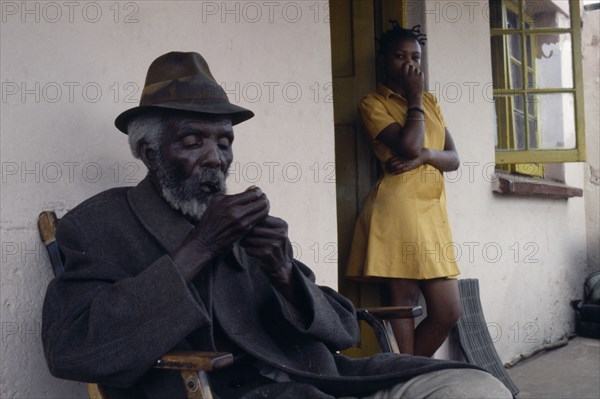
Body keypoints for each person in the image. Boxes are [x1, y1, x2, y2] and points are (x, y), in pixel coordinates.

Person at [41, 51, 512, 398]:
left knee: (475, 387)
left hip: (321, 379)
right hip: (225, 391)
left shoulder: (239, 221)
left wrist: (285, 274)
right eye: (192, 141)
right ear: (149, 153)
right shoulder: (100, 224)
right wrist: (198, 248)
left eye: (224, 143)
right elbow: (75, 349)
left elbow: (345, 330)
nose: (215, 158)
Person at [346, 23, 462, 357]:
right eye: (399, 56)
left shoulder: (431, 102)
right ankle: (403, 383)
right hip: (399, 210)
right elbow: (409, 146)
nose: (409, 64)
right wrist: (413, 97)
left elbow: (453, 159)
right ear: (384, 60)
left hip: (432, 213)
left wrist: (428, 155)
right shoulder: (373, 103)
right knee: (404, 304)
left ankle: (403, 378)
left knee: (447, 310)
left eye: (415, 57)